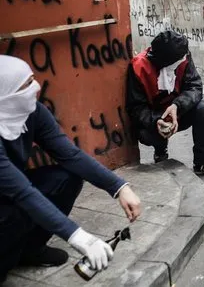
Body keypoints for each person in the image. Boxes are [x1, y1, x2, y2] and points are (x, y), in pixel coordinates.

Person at [0, 55, 142, 282]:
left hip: (14, 187)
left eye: (32, 80)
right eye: (25, 86)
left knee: (66, 178)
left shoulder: (32, 111)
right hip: (9, 192)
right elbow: (21, 192)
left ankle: (30, 249)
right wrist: (79, 238)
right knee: (15, 211)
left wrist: (119, 187)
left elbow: (70, 154)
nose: (35, 88)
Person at [126, 30, 204, 176]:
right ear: (165, 61)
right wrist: (157, 121)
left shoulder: (182, 57)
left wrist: (177, 106)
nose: (183, 60)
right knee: (144, 134)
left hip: (178, 112)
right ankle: (160, 151)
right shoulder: (138, 67)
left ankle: (202, 161)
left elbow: (195, 87)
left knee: (202, 108)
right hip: (154, 119)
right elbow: (135, 107)